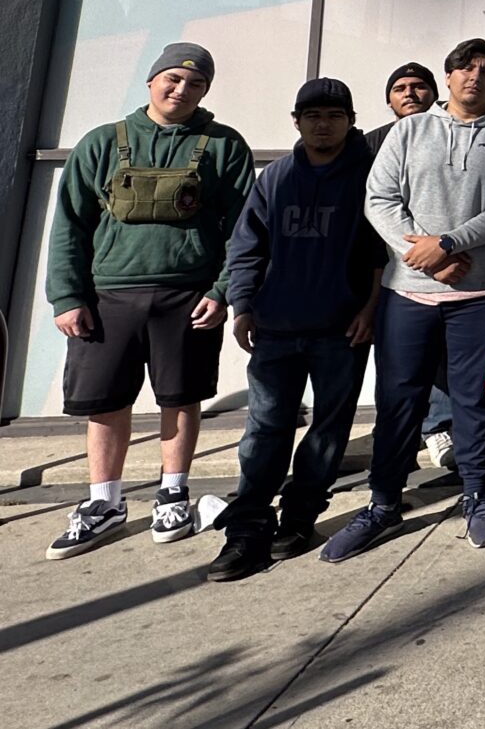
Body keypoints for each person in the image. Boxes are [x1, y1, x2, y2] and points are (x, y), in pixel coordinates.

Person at [321, 38, 485, 562]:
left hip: (478, 294)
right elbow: (380, 198)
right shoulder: (410, 131)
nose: (475, 77)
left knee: (473, 401)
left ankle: (478, 495)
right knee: (399, 401)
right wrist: (425, 253)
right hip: (408, 294)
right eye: (465, 68)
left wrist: (449, 244)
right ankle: (383, 502)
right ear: (448, 76)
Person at [44, 43, 254, 559]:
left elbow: (243, 230)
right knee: (106, 401)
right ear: (152, 80)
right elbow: (69, 226)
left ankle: (173, 493)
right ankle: (103, 504)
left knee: (180, 397)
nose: (181, 90)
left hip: (187, 296)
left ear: (206, 90)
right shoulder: (101, 143)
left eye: (195, 84)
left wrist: (223, 291)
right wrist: (67, 296)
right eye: (173, 79)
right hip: (107, 296)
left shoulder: (223, 145)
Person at [208, 79, 382, 580]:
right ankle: (247, 529)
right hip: (276, 327)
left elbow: (381, 255)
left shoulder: (369, 176)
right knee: (264, 429)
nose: (322, 124)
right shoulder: (275, 177)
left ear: (350, 120)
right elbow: (247, 247)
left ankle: (300, 517)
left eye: (333, 115)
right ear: (297, 121)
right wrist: (241, 305)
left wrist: (369, 309)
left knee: (328, 430)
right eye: (312, 115)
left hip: (340, 329)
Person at [366, 61, 454, 471]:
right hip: (385, 266)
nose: (410, 93)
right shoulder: (370, 145)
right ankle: (399, 428)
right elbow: (374, 204)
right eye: (400, 87)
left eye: (420, 86)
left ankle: (438, 426)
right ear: (388, 99)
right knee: (395, 358)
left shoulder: (448, 135)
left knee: (442, 355)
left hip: (447, 263)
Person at [365, 62, 437, 159]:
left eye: (419, 87)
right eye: (399, 89)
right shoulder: (368, 144)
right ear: (389, 101)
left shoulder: (451, 135)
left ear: (435, 96)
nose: (408, 93)